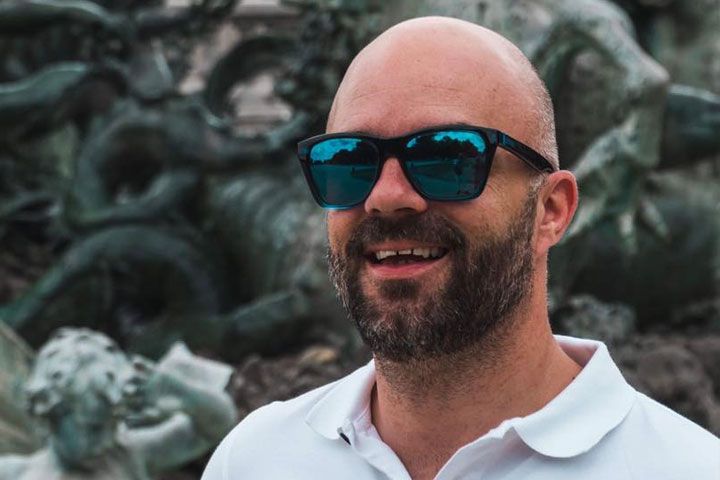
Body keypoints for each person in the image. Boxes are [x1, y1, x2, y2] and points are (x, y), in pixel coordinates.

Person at [202, 16, 720, 480]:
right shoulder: (254, 460)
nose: (386, 197)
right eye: (348, 161)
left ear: (551, 210)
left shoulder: (685, 468)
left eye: (446, 158)